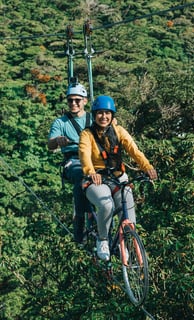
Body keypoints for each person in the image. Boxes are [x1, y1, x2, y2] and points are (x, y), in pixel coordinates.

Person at [79, 95, 158, 261]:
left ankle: (126, 242)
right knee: (106, 205)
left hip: (117, 177)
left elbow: (134, 150)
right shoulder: (87, 134)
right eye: (100, 113)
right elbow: (84, 154)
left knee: (128, 210)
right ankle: (103, 240)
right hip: (96, 179)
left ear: (112, 115)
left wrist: (147, 167)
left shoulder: (119, 131)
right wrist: (90, 171)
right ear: (94, 115)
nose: (104, 117)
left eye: (107, 113)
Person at [48, 82, 93, 244]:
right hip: (73, 160)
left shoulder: (93, 118)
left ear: (84, 101)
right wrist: (58, 141)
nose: (73, 103)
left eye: (77, 100)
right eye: (70, 101)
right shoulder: (61, 123)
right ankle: (80, 221)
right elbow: (50, 144)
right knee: (82, 174)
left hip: (94, 158)